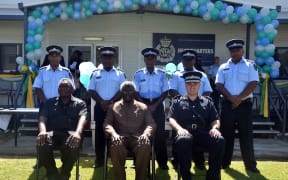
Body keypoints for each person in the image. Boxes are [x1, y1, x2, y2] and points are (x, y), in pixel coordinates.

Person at [168, 71, 224, 180]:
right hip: (185, 134)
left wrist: (215, 128)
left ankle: (212, 176)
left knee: (219, 140)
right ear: (185, 86)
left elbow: (215, 119)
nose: (192, 86)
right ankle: (186, 176)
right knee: (183, 141)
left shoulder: (208, 102)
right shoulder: (177, 102)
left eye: (195, 84)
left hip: (203, 134)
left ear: (199, 85)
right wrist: (179, 129)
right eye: (189, 84)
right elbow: (171, 119)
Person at [215, 39, 260, 173]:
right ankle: (224, 163)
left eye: (237, 50)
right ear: (230, 51)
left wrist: (239, 99)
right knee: (226, 135)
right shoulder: (223, 67)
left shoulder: (250, 66)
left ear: (242, 51)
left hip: (244, 105)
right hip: (227, 105)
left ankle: (250, 165)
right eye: (232, 50)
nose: (234, 52)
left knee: (246, 135)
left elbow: (253, 83)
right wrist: (232, 98)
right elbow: (219, 85)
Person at [169, 49, 212, 170]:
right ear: (182, 61)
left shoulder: (202, 75)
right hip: (181, 110)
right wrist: (185, 103)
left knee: (199, 134)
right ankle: (177, 160)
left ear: (194, 60)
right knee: (178, 135)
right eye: (185, 59)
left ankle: (199, 161)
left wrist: (200, 103)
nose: (188, 62)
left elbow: (207, 91)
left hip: (199, 110)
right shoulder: (176, 74)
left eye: (190, 59)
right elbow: (172, 90)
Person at [36, 78, 88, 180]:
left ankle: (65, 174)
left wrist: (78, 133)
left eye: (66, 86)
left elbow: (83, 118)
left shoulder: (80, 103)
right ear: (58, 89)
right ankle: (52, 174)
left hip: (71, 134)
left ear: (72, 89)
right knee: (41, 143)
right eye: (61, 86)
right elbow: (42, 118)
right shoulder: (49, 103)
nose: (63, 88)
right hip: (53, 134)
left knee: (73, 145)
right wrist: (42, 131)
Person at [103, 81, 156, 180]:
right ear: (121, 92)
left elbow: (151, 124)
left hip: (138, 138)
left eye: (130, 91)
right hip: (121, 137)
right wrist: (114, 134)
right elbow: (107, 123)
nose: (127, 93)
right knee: (115, 145)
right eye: (125, 91)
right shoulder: (113, 107)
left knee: (145, 144)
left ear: (134, 92)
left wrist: (145, 134)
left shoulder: (143, 107)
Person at [88, 46, 126, 168]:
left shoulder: (120, 74)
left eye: (110, 58)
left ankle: (117, 160)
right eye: (105, 57)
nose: (108, 60)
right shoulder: (95, 74)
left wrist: (111, 101)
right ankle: (99, 160)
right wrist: (102, 102)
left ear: (114, 59)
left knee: (117, 133)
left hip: (116, 108)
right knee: (99, 134)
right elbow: (91, 90)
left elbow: (123, 90)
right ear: (101, 59)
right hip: (100, 108)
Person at [133, 48, 169, 170]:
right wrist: (145, 105)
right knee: (142, 134)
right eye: (147, 58)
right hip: (142, 105)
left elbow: (165, 91)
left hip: (157, 105)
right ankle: (143, 163)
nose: (149, 60)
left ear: (155, 59)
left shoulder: (162, 74)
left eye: (152, 58)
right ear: (144, 59)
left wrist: (155, 105)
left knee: (159, 135)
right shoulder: (138, 74)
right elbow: (135, 92)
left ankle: (162, 163)